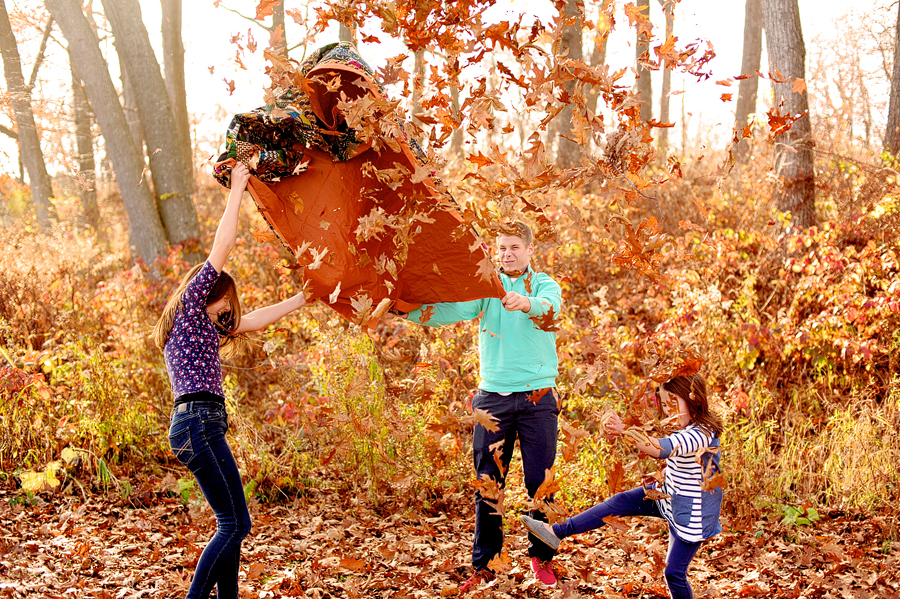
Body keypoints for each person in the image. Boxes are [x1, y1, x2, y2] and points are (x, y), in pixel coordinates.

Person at [153, 162, 308, 599]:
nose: (229, 309)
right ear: (212, 292)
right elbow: (223, 244)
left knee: (234, 525)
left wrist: (302, 297)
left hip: (197, 424)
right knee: (235, 524)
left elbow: (253, 320)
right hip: (197, 423)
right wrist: (237, 188)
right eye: (226, 301)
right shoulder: (189, 307)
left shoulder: (199, 329)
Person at [403, 221, 563, 592]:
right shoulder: (486, 287)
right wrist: (405, 311)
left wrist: (526, 303)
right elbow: (450, 312)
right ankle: (486, 565)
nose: (507, 254)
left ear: (529, 250)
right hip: (492, 398)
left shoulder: (544, 285)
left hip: (538, 397)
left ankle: (542, 558)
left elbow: (550, 311)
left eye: (514, 247)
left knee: (541, 483)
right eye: (501, 248)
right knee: (489, 485)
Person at [521, 373, 724, 599]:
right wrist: (665, 472)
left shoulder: (701, 433)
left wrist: (624, 431)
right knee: (619, 502)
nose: (667, 410)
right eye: (664, 404)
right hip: (667, 496)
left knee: (674, 573)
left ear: (693, 398)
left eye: (673, 403)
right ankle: (556, 532)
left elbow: (661, 448)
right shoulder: (685, 427)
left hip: (691, 514)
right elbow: (686, 462)